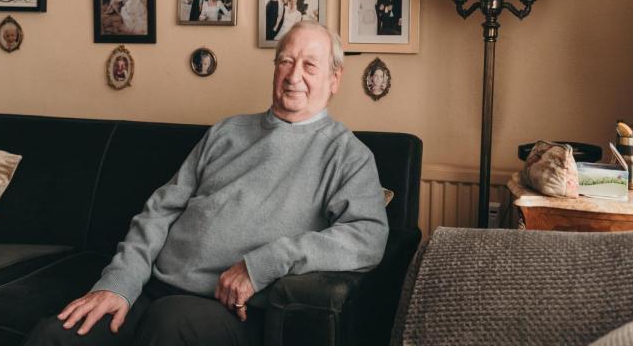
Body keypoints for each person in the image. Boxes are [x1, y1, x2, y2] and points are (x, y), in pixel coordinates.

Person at [23, 22, 388, 346]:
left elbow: (368, 237)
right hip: (151, 289)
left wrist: (262, 263)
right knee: (55, 334)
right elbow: (159, 212)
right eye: (286, 61)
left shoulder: (347, 154)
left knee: (171, 324)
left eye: (310, 65)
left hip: (225, 310)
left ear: (334, 79)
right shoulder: (227, 131)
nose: (294, 76)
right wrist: (118, 284)